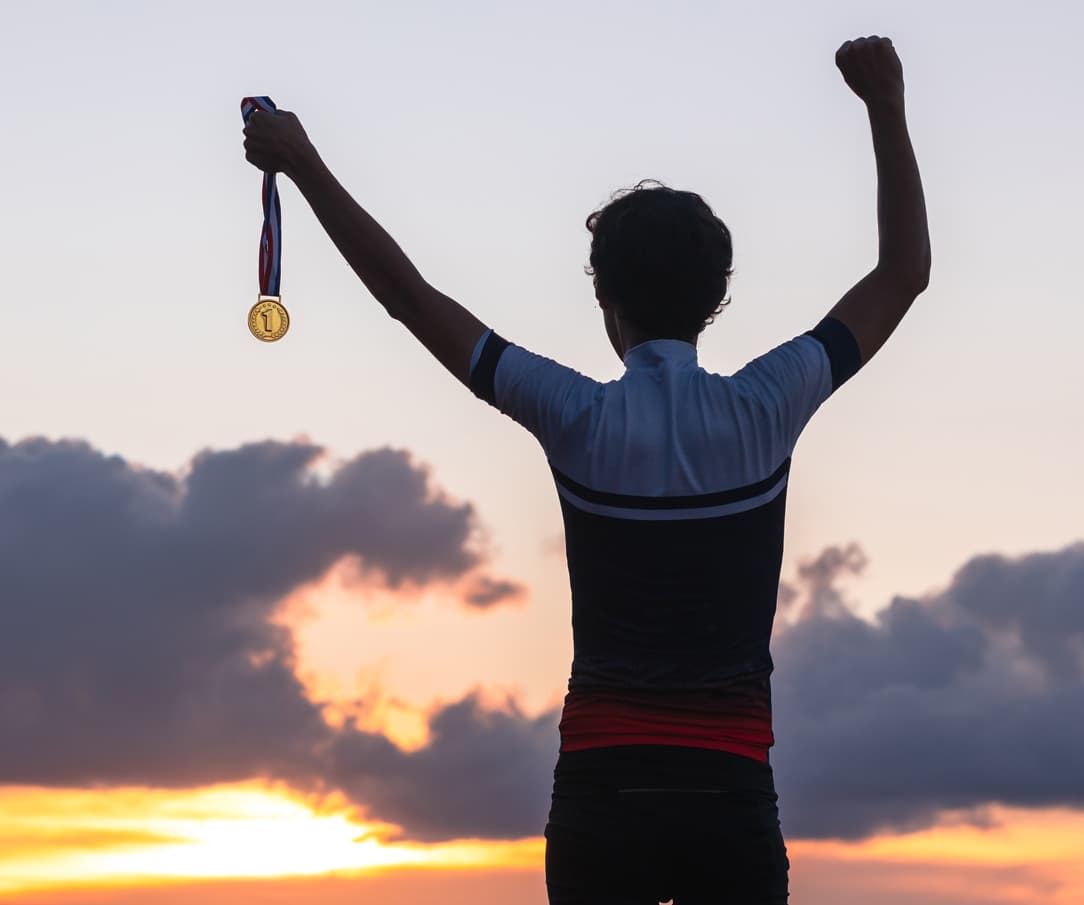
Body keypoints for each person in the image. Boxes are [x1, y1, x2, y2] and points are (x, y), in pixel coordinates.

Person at [242, 35, 928, 904]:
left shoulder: (577, 415)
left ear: (604, 296)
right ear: (717, 298)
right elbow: (904, 272)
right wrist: (884, 104)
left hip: (604, 793)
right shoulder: (767, 404)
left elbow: (411, 298)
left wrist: (301, 165)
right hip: (728, 791)